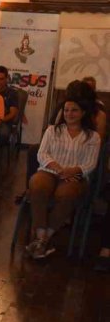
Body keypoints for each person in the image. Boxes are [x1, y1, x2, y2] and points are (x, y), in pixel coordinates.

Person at [25, 96, 101, 259]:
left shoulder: (93, 136)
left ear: (83, 112)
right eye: (66, 110)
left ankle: (44, 239)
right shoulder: (52, 130)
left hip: (75, 177)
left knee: (66, 194)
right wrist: (59, 169)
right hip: (50, 171)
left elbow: (90, 163)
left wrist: (73, 171)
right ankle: (40, 235)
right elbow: (42, 154)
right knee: (37, 185)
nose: (69, 114)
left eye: (74, 110)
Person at [0, 65, 20, 144]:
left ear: (7, 79)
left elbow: (12, 113)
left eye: (1, 79)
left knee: (3, 135)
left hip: (3, 122)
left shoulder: (12, 93)